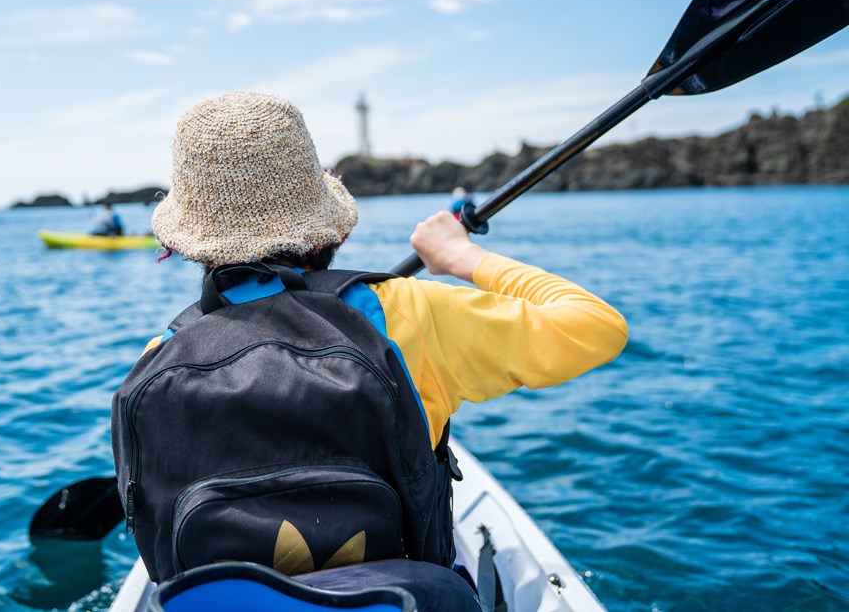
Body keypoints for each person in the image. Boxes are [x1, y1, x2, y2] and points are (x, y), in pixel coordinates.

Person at [111, 91, 628, 595]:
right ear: (327, 231)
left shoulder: (160, 354)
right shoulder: (409, 312)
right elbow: (595, 326)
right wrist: (461, 258)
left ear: (184, 243)